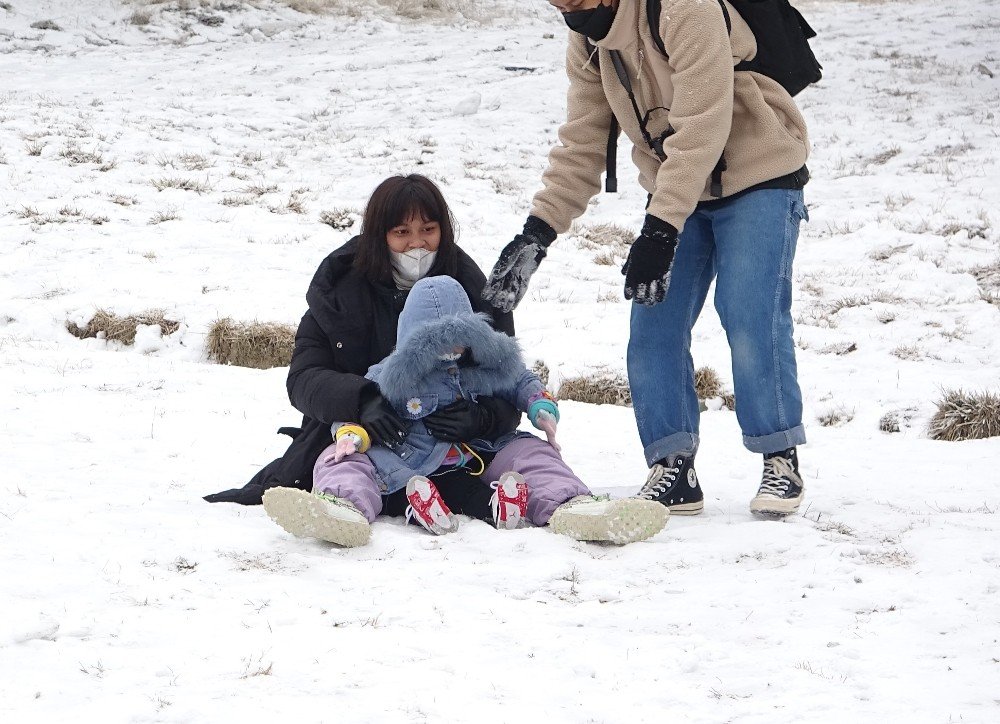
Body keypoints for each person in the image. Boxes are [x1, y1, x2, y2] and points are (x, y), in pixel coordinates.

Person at [482, 0, 810, 518]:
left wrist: (659, 231)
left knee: (750, 317)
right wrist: (535, 234)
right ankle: (673, 465)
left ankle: (779, 456)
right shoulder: (588, 37)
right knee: (653, 324)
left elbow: (704, 125)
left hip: (758, 175)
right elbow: (583, 142)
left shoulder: (684, 8)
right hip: (677, 192)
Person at [262, 275, 669, 547]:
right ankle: (342, 507)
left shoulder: (483, 365)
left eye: (459, 340)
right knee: (339, 461)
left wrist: (539, 404)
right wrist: (352, 434)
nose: (451, 352)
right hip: (409, 456)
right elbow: (355, 408)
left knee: (533, 453)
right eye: (437, 343)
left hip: (479, 449)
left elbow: (518, 379)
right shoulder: (391, 374)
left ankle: (573, 505)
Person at [204, 174, 519, 507]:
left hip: (457, 450)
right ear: (379, 235)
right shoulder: (340, 291)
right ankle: (351, 507)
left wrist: (483, 417)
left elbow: (508, 378)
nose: (417, 243)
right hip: (366, 439)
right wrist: (362, 400)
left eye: (428, 230)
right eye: (402, 232)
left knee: (522, 458)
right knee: (341, 469)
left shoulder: (472, 289)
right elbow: (303, 379)